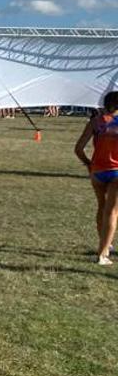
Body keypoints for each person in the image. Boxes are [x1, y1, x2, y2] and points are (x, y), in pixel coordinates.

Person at [74, 90, 118, 264]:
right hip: (116, 171)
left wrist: (88, 163)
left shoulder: (95, 122)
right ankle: (103, 253)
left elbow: (78, 148)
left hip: (97, 171)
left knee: (102, 207)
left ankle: (105, 243)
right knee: (113, 212)